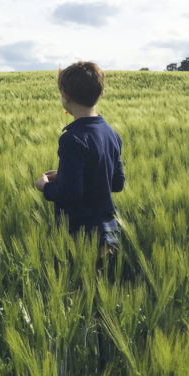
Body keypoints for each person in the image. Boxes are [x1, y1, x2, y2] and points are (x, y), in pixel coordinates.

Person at [35, 62, 125, 250]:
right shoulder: (111, 134)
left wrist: (45, 186)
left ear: (65, 96)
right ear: (101, 94)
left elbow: (70, 194)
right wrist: (68, 175)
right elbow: (116, 183)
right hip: (109, 236)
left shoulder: (72, 139)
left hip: (81, 239)